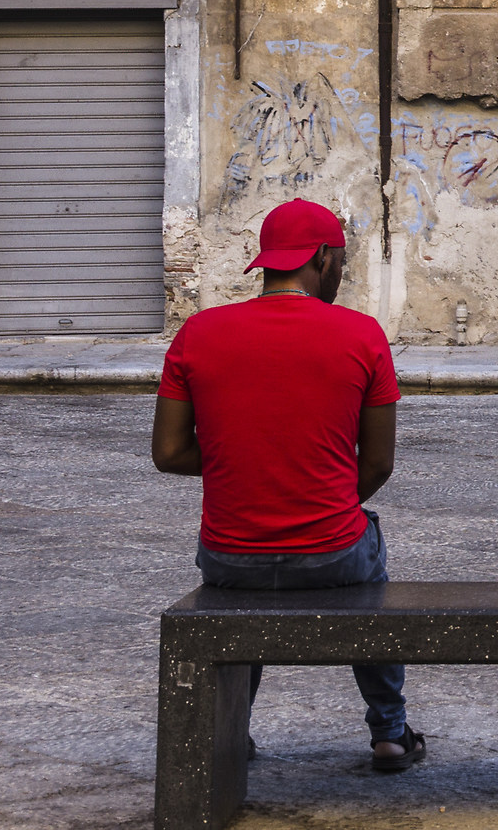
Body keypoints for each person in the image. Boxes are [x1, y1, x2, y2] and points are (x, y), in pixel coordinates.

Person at [152, 198, 424, 772]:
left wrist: (246, 462)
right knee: (370, 566)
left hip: (230, 556)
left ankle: (232, 731)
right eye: (341, 261)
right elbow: (378, 463)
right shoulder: (362, 334)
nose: (341, 273)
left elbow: (170, 452)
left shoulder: (199, 333)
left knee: (233, 597)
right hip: (334, 554)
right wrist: (319, 497)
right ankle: (390, 733)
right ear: (322, 259)